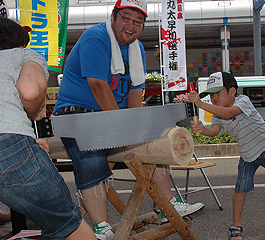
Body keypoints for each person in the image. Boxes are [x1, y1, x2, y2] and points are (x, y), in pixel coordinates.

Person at [53, 0, 203, 239]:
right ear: (113, 16)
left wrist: (139, 125)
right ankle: (101, 225)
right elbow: (98, 86)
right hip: (77, 114)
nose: (132, 26)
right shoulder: (96, 37)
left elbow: (135, 91)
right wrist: (123, 125)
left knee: (156, 139)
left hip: (114, 117)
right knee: (90, 151)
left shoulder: (137, 49)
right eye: (126, 18)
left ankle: (168, 206)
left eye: (139, 21)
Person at [0, 16, 96, 240]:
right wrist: (34, 113)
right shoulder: (21, 54)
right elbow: (30, 91)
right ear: (18, 43)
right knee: (67, 224)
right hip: (3, 146)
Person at [188, 71, 265, 240]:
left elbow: (230, 113)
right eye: (211, 95)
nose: (214, 98)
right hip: (247, 153)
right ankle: (236, 225)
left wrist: (201, 104)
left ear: (232, 91)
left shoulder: (242, 101)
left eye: (218, 93)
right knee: (241, 187)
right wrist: (203, 130)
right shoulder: (218, 112)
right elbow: (215, 130)